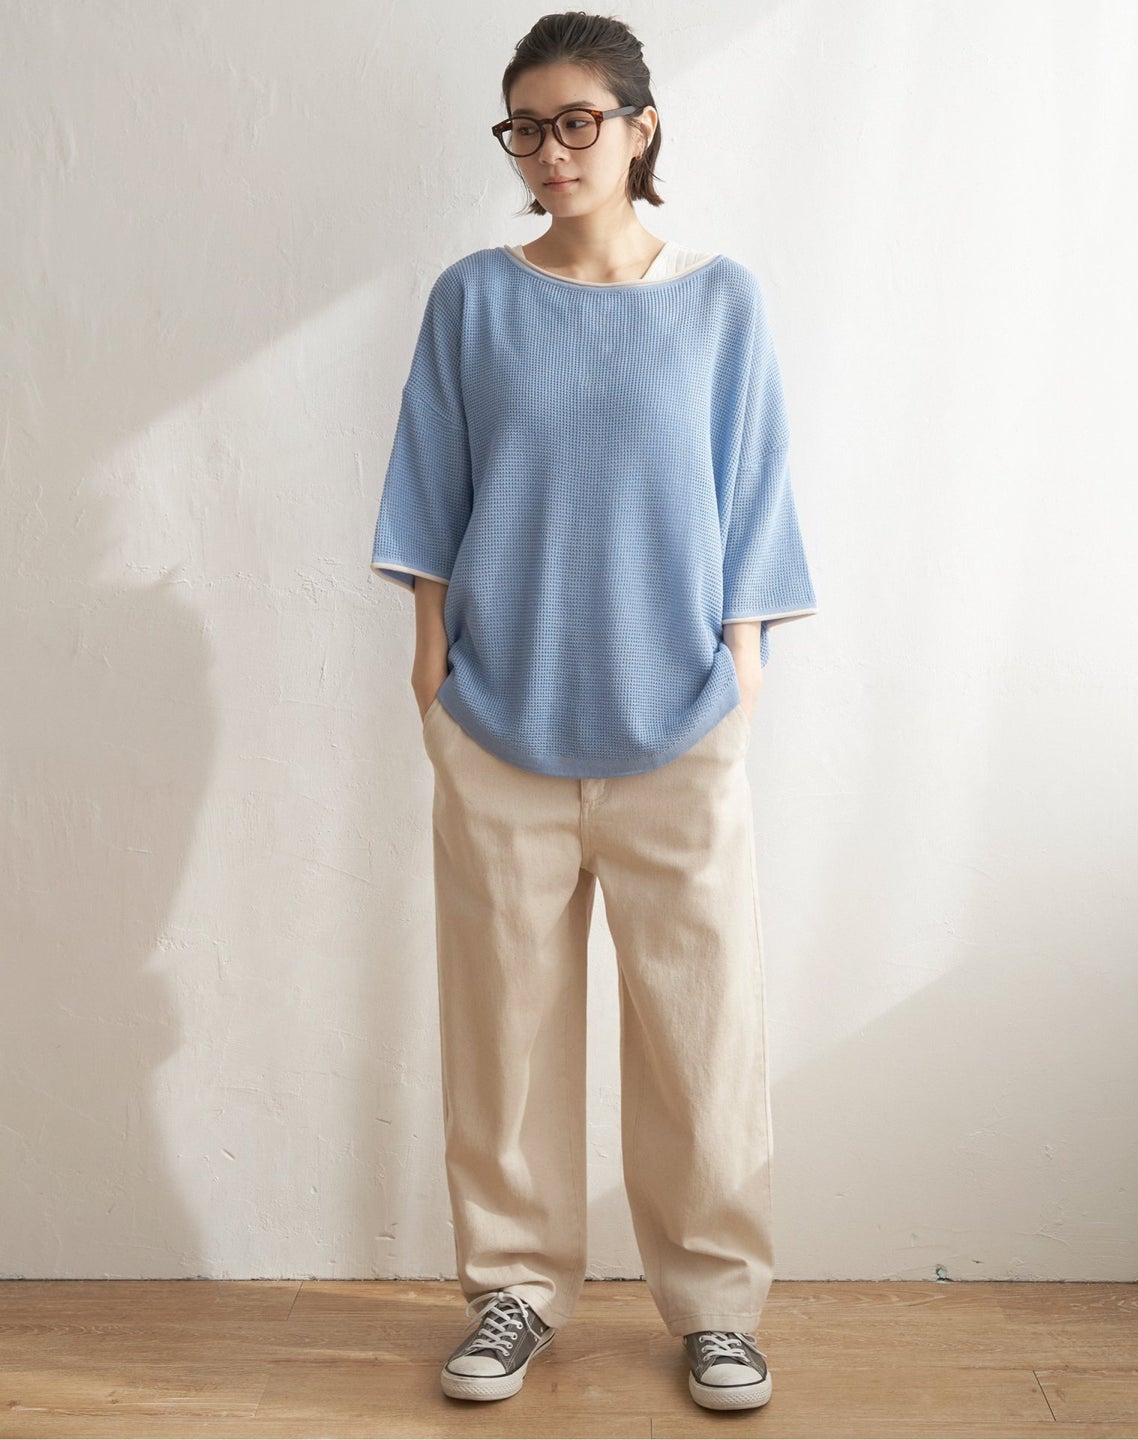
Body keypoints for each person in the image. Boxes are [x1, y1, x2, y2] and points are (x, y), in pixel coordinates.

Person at [370, 10, 817, 1413]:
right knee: (502, 1036)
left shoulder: (722, 301)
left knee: (703, 1039)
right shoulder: (474, 300)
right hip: (500, 722)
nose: (550, 151)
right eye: (526, 127)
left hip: (679, 722)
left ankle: (718, 1310)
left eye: (576, 121)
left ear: (641, 126)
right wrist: (433, 678)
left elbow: (756, 496)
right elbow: (429, 495)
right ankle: (512, 1291)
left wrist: (741, 666)